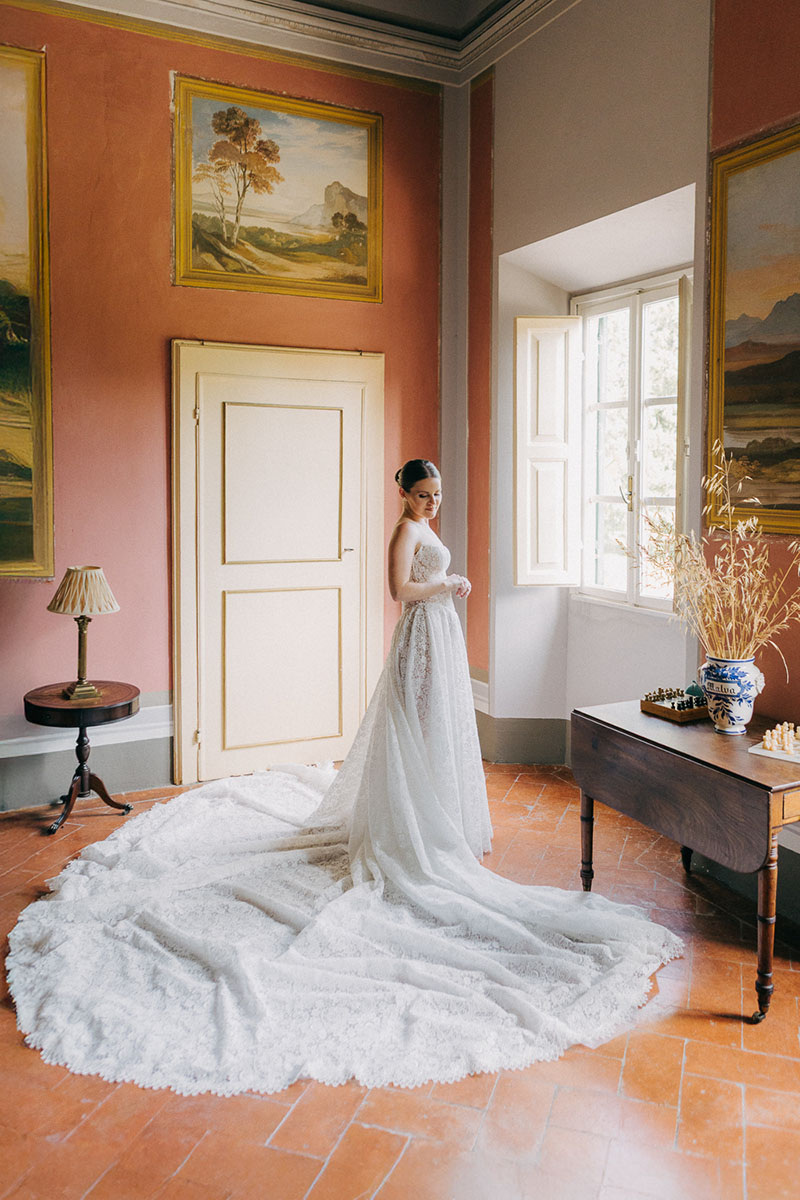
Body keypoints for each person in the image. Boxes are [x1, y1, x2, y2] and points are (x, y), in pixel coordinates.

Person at [8, 459, 682, 1096]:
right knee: (415, 731)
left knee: (437, 734)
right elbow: (399, 591)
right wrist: (447, 585)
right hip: (421, 630)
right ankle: (409, 823)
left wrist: (452, 589)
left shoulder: (425, 527)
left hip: (440, 630)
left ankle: (436, 814)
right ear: (405, 496)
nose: (432, 505)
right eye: (424, 497)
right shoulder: (403, 532)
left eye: (437, 497)